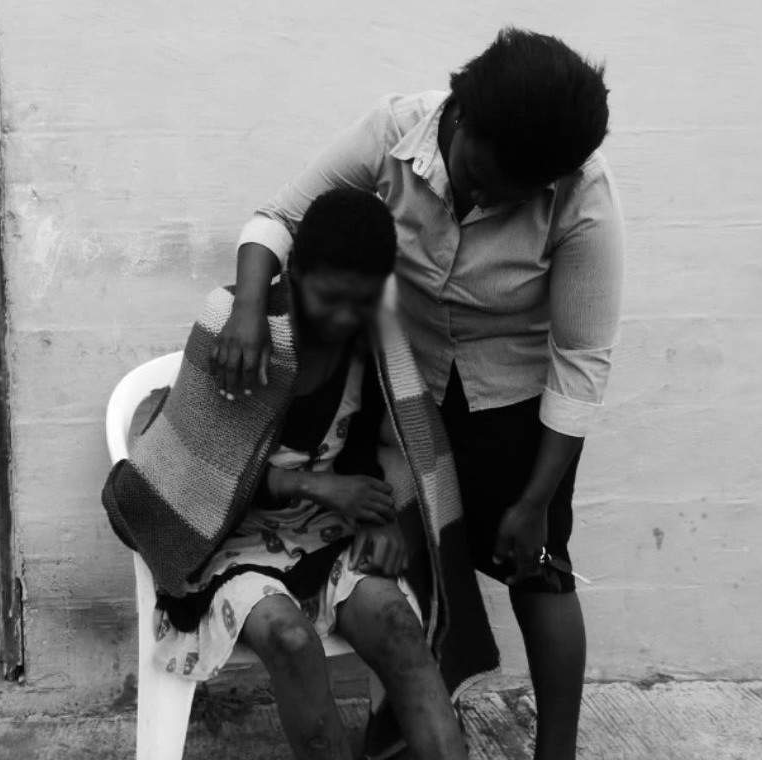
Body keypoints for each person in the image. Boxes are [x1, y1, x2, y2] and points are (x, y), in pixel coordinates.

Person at [215, 28, 623, 759]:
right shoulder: (394, 128)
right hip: (403, 389)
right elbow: (280, 220)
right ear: (460, 118)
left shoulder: (579, 191)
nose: (485, 197)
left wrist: (534, 500)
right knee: (407, 558)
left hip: (512, 398)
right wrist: (248, 308)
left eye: (512, 195)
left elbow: (582, 357)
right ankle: (402, 723)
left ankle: (556, 751)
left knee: (537, 570)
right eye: (481, 176)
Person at [105, 189, 499, 760]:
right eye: (329, 299)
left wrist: (383, 521)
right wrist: (313, 485)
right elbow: (197, 475)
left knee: (397, 624)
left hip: (323, 536)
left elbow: (388, 453)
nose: (344, 319)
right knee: (290, 639)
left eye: (361, 302)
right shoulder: (234, 327)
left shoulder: (376, 346)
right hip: (221, 544)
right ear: (295, 275)